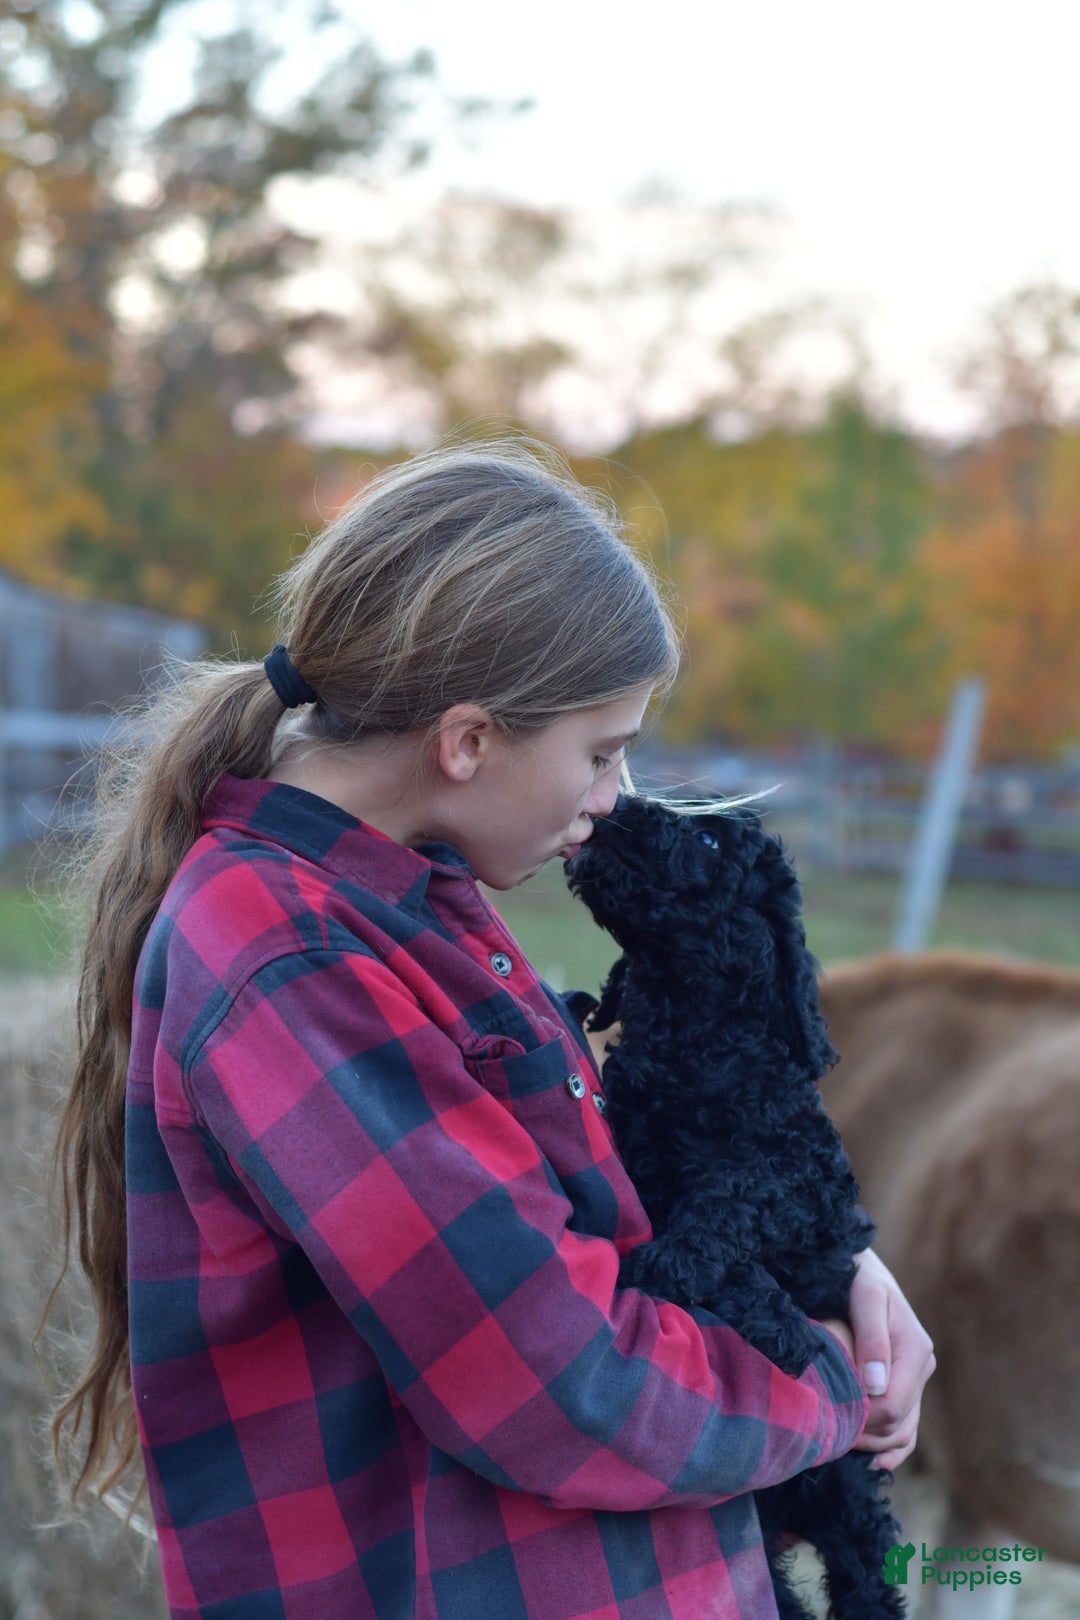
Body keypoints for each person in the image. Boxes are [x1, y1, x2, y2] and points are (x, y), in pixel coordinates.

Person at [51, 440, 934, 1620]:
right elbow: (559, 1383)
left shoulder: (409, 903)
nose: (609, 800)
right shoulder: (291, 958)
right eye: (601, 753)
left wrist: (837, 1269)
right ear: (467, 742)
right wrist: (828, 1382)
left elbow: (584, 1209)